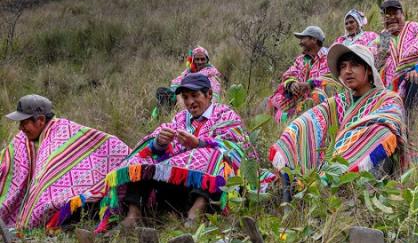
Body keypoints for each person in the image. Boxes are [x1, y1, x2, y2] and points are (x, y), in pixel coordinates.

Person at [98, 73, 255, 230]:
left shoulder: (225, 114)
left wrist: (199, 143)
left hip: (211, 187)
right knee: (140, 159)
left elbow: (236, 147)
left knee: (213, 155)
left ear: (209, 94)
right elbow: (155, 147)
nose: (190, 102)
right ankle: (134, 215)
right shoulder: (180, 118)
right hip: (178, 185)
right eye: (185, 97)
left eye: (195, 95)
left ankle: (196, 212)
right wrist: (160, 143)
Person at [267, 43, 408, 184]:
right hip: (336, 161)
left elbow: (390, 120)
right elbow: (315, 117)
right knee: (301, 125)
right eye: (343, 67)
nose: (347, 71)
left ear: (369, 70)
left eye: (354, 65)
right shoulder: (340, 101)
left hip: (373, 164)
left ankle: (352, 182)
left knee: (380, 132)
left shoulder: (388, 98)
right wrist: (296, 129)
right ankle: (298, 182)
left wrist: (355, 137)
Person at [0, 95, 130, 230]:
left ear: (41, 120)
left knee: (71, 207)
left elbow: (114, 148)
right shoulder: (27, 137)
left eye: (24, 122)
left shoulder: (61, 134)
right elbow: (8, 160)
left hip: (88, 198)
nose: (20, 128)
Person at [266, 26, 338, 123]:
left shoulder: (329, 56)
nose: (300, 42)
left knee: (317, 96)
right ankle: (284, 121)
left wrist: (310, 84)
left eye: (303, 38)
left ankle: (300, 120)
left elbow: (332, 77)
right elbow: (289, 74)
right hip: (299, 96)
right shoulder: (301, 59)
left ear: (314, 40)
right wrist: (292, 84)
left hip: (319, 96)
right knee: (276, 98)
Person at [154, 46, 224, 114]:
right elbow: (177, 82)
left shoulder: (211, 73)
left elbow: (214, 94)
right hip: (182, 96)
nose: (200, 62)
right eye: (197, 59)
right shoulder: (188, 71)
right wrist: (178, 95)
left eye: (202, 59)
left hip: (195, 99)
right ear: (193, 60)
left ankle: (184, 113)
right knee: (161, 91)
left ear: (207, 60)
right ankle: (166, 114)